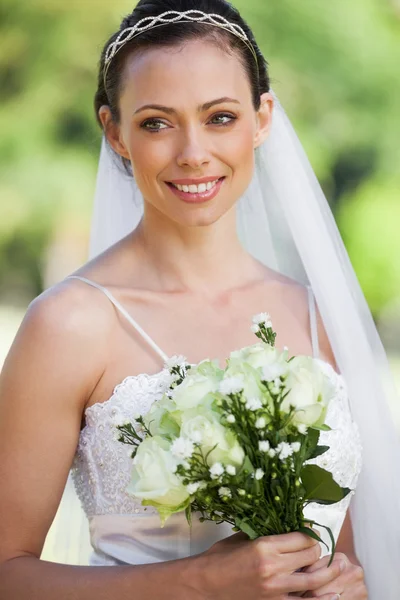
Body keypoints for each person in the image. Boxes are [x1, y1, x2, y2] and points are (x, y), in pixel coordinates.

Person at [0, 1, 398, 598]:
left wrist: (345, 581)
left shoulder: (321, 319)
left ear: (262, 118)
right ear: (116, 132)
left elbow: (339, 549)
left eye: (220, 117)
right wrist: (202, 581)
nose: (192, 153)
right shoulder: (70, 324)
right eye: (157, 122)